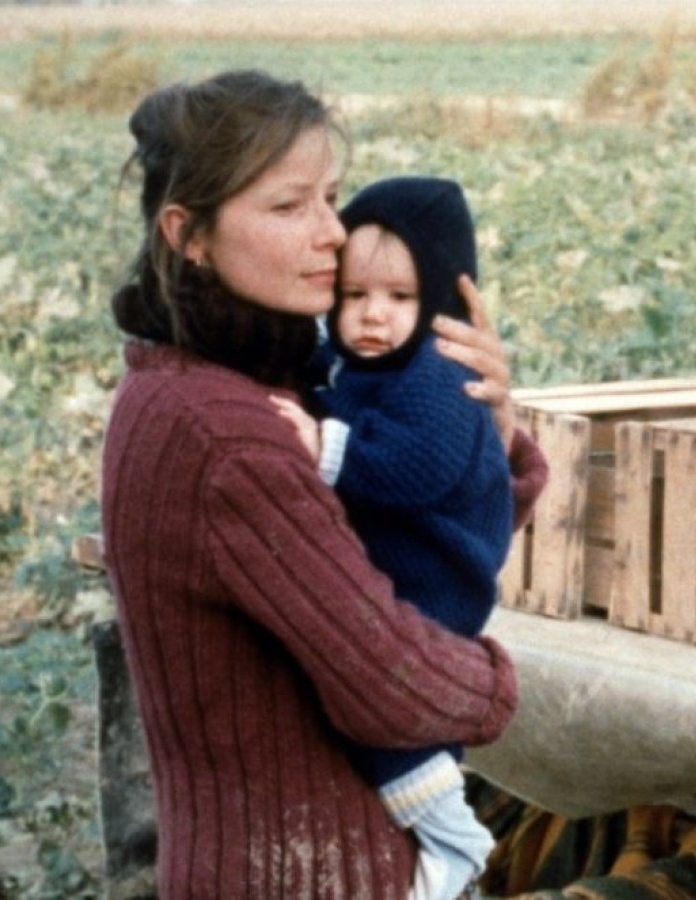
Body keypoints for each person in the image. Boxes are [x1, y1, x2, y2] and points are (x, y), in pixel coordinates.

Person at [100, 69, 548, 899]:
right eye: (287, 206)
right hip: (301, 875)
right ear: (187, 234)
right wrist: (505, 689)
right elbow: (393, 682)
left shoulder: (230, 383)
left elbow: (396, 539)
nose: (333, 234)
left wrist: (482, 433)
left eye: (331, 197)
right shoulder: (233, 436)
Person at [274, 176, 511, 900]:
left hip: (438, 577)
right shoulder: (375, 367)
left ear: (438, 297)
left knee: (386, 706)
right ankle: (441, 835)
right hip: (402, 570)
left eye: (401, 298)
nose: (373, 315)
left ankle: (452, 836)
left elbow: (420, 466)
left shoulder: (440, 375)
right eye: (355, 296)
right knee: (375, 710)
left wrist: (324, 444)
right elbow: (337, 389)